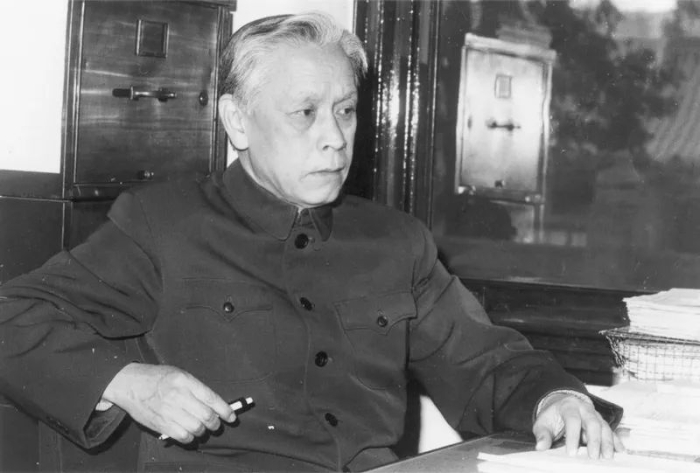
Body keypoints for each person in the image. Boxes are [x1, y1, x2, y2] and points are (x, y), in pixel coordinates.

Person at [0, 12, 622, 472]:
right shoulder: (164, 225)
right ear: (237, 121)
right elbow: (12, 318)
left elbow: (483, 362)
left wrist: (554, 398)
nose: (335, 138)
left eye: (345, 111)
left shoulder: (396, 241)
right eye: (305, 114)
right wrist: (130, 382)